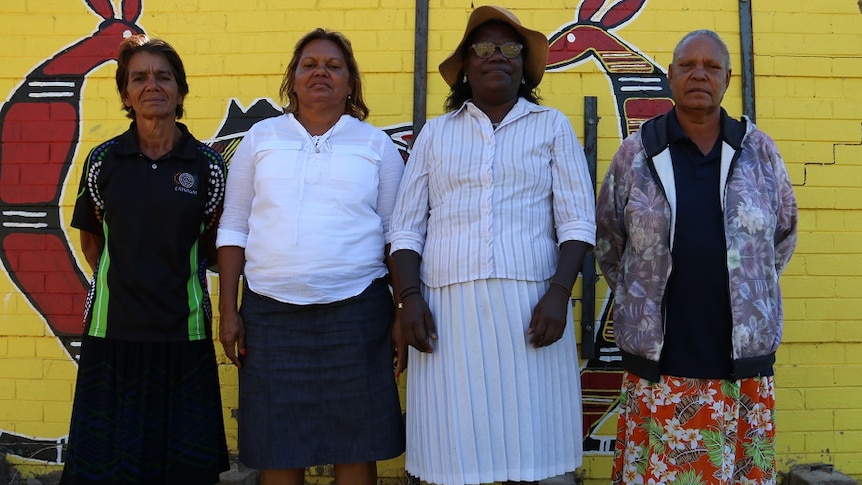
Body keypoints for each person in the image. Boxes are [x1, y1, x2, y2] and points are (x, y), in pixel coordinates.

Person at [389, 6, 596, 485]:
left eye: (509, 48)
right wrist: (409, 301)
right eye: (482, 47)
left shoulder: (552, 127)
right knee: (454, 450)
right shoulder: (436, 135)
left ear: (524, 64)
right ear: (464, 64)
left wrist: (560, 295)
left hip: (533, 309)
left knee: (532, 449)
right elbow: (405, 229)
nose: (496, 57)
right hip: (445, 313)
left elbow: (578, 222)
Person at [595, 30, 798, 484]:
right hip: (661, 365)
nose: (699, 74)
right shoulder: (637, 153)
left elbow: (782, 234)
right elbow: (609, 242)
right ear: (670, 77)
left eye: (711, 66)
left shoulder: (759, 151)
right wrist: (642, 294)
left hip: (740, 362)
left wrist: (748, 285)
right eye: (687, 65)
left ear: (728, 78)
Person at [216, 28, 406, 485]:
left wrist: (401, 311)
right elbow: (233, 227)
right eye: (310, 64)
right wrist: (228, 308)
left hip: (358, 314)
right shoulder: (261, 138)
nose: (321, 72)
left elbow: (398, 236)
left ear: (350, 82)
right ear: (293, 79)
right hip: (269, 313)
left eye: (333, 66)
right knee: (278, 446)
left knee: (356, 443)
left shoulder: (375, 145)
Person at [61, 35, 230, 485]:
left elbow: (214, 246)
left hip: (184, 333)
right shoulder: (103, 161)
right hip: (112, 332)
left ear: (180, 90)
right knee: (108, 468)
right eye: (139, 77)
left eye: (163, 76)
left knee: (184, 470)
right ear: (124, 94)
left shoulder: (208, 166)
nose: (151, 85)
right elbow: (93, 242)